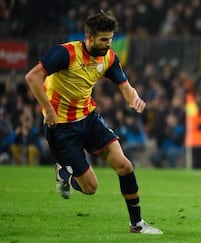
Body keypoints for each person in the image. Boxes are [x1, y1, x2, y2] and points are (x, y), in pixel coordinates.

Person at [24, 10, 162, 234]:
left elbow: (125, 85)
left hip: (89, 118)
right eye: (103, 40)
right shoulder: (65, 53)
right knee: (90, 188)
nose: (108, 44)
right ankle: (64, 172)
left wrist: (134, 98)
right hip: (61, 127)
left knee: (124, 165)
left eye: (110, 39)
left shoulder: (108, 57)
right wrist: (48, 111)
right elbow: (33, 77)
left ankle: (137, 224)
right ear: (89, 37)